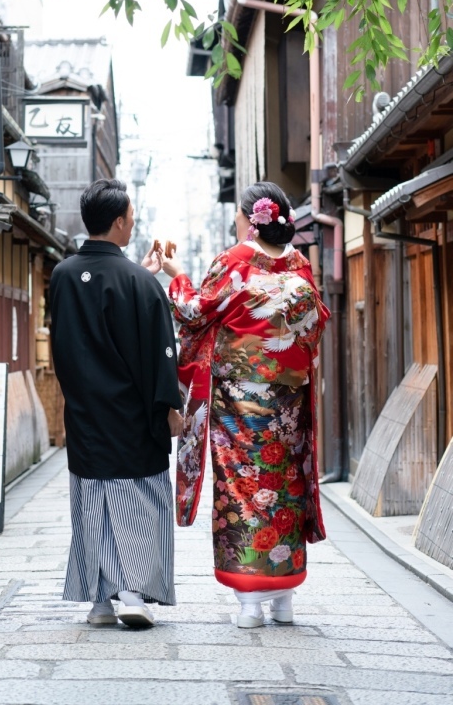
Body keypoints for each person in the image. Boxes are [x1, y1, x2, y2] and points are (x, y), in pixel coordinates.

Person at [147, 180, 330, 629]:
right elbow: (313, 328)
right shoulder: (301, 267)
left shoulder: (235, 262)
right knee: (285, 487)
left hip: (238, 406)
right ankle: (284, 599)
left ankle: (249, 603)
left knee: (243, 490)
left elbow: (194, 312)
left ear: (250, 219)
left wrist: (176, 275)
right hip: (288, 405)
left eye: (238, 215)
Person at [49, 178, 183, 630]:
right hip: (132, 416)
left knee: (93, 503)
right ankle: (131, 592)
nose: (135, 222)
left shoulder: (63, 275)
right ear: (121, 222)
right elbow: (162, 352)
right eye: (132, 217)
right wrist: (170, 406)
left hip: (85, 414)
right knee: (138, 502)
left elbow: (61, 347)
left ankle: (101, 600)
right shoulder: (142, 283)